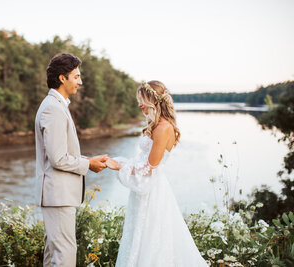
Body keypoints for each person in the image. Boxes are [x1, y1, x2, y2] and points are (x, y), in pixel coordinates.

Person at [106, 81, 209, 267]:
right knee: (138, 234)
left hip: (153, 191)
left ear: (154, 100)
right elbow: (142, 162)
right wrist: (122, 162)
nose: (139, 104)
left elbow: (149, 167)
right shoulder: (156, 125)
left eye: (142, 100)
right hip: (145, 189)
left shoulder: (163, 128)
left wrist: (118, 165)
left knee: (152, 237)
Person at [34, 53, 108, 267]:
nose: (80, 81)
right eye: (76, 76)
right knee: (64, 255)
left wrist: (90, 160)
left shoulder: (56, 105)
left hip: (58, 195)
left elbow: (60, 154)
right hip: (58, 195)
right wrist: (89, 164)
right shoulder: (53, 108)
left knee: (54, 255)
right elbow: (58, 159)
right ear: (62, 78)